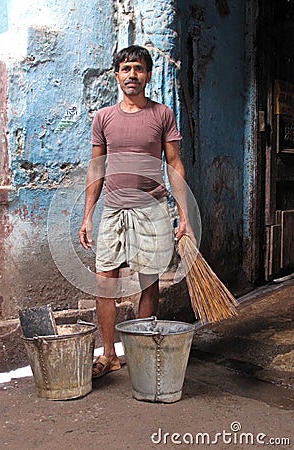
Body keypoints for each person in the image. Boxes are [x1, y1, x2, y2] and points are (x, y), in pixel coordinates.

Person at [79, 45, 194, 378]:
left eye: (139, 69)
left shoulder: (162, 115)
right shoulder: (103, 118)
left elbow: (174, 164)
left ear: (148, 75)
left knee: (149, 282)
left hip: (152, 208)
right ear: (117, 75)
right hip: (114, 209)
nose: (132, 75)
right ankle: (110, 354)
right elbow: (96, 167)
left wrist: (184, 214)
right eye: (126, 69)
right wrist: (88, 215)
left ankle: (141, 350)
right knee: (106, 283)